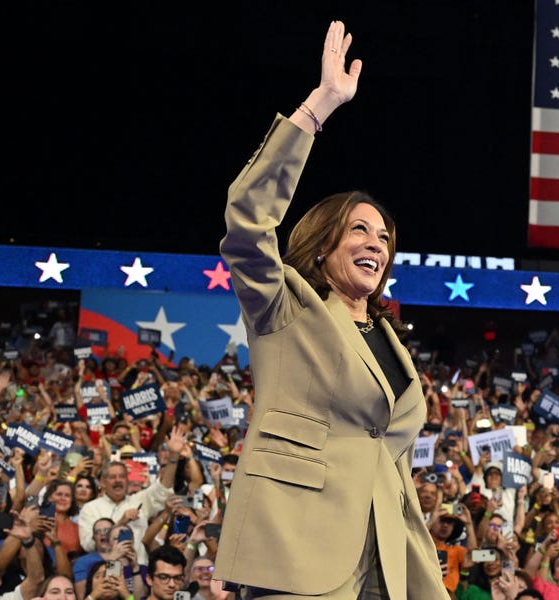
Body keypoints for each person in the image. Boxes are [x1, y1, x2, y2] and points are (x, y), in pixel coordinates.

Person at [211, 20, 446, 600]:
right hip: (296, 547)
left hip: (383, 559)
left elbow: (383, 454)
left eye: (385, 237)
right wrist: (317, 108)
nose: (375, 243)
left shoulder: (389, 339)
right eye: (358, 230)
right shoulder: (285, 307)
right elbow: (246, 221)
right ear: (322, 244)